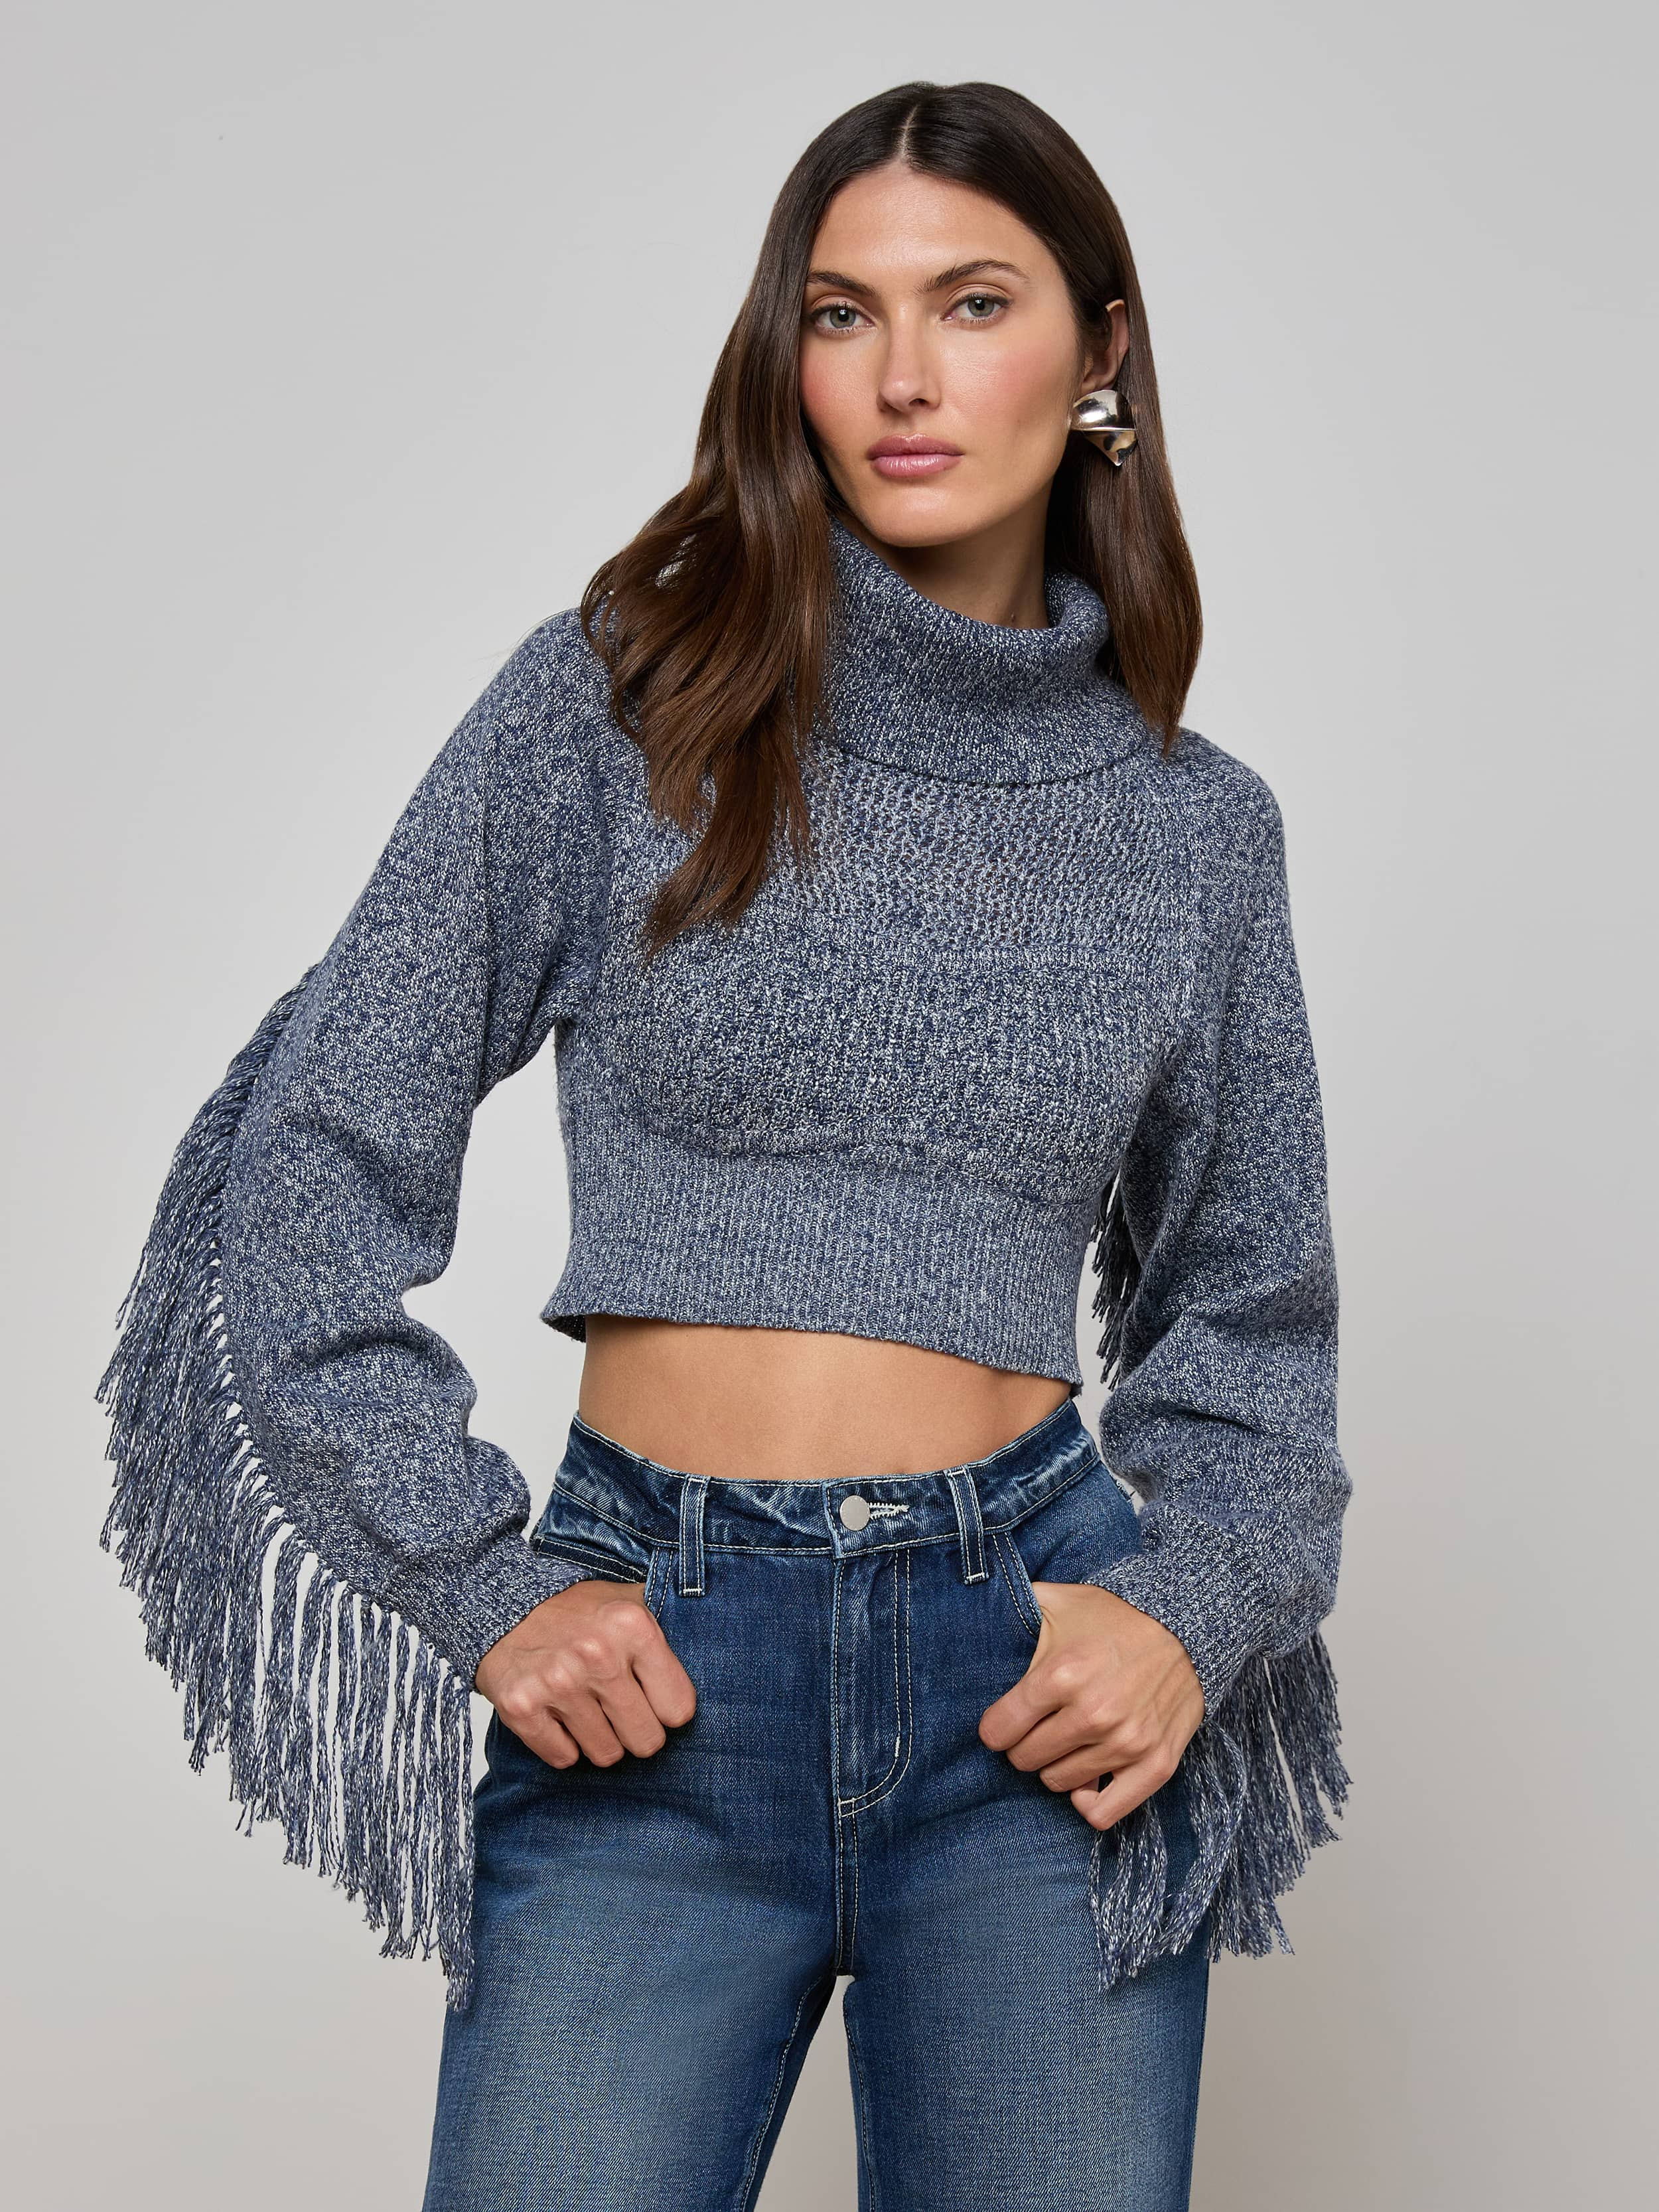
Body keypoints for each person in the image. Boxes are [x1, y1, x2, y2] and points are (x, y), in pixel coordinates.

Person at [98, 78, 1352, 2212]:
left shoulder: (1190, 831)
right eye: (841, 313)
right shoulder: (622, 708)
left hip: (1027, 1688)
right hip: (653, 1679)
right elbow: (307, 1159)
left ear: (1102, 347)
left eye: (973, 303)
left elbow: (1251, 1320)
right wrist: (479, 1584)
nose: (902, 374)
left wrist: (1184, 1611)